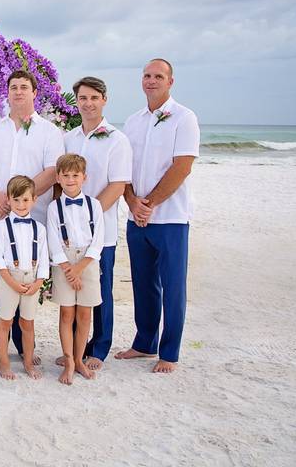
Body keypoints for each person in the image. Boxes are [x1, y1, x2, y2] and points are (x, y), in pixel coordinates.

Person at [117, 58, 200, 373]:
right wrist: (131, 202)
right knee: (143, 283)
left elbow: (182, 166)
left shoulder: (184, 118)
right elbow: (123, 169)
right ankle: (144, 343)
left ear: (170, 81)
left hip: (171, 219)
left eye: (158, 76)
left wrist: (148, 203)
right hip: (136, 217)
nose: (151, 81)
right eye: (147, 76)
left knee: (173, 286)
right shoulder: (133, 121)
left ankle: (169, 353)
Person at [0, 70, 64, 364]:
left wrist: (18, 200)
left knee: (27, 278)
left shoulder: (50, 131)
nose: (18, 92)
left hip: (33, 219)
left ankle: (24, 343)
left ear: (34, 93)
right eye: (13, 87)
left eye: (24, 87)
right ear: (7, 93)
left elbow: (53, 171)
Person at [62, 77, 132, 372]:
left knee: (99, 289)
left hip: (99, 229)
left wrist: (88, 217)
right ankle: (76, 349)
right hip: (69, 233)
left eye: (94, 97)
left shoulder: (117, 139)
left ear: (104, 100)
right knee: (74, 289)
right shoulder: (70, 138)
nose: (88, 103)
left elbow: (117, 185)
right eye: (82, 98)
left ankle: (99, 347)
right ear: (76, 102)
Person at [47, 154, 104, 384]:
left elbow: (98, 239)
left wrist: (80, 268)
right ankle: (69, 360)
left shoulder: (95, 205)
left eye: (75, 175)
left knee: (84, 314)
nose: (71, 180)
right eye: (66, 175)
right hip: (64, 263)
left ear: (84, 178)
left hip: (88, 263)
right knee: (67, 313)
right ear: (58, 178)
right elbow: (53, 240)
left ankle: (79, 359)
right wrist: (68, 269)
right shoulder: (53, 208)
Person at [0, 175, 49, 380]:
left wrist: (39, 282)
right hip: (8, 279)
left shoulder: (39, 229)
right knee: (5, 321)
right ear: (8, 200)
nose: (21, 204)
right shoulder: (0, 228)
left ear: (34, 199)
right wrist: (12, 282)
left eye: (25, 200)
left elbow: (43, 258)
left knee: (28, 323)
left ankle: (28, 362)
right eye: (16, 200)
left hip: (32, 280)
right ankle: (4, 363)